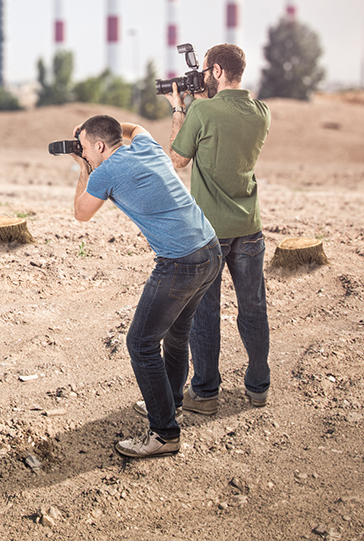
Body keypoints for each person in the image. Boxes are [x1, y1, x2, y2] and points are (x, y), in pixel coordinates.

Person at [68, 114, 221, 458]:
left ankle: (164, 434)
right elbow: (135, 128)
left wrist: (83, 168)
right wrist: (100, 130)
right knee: (177, 334)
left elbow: (81, 213)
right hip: (210, 250)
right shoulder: (146, 146)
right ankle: (171, 402)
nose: (84, 152)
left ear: (100, 146)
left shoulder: (104, 172)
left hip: (180, 262)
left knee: (140, 343)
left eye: (86, 148)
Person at [166, 43, 271, 414]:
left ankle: (206, 394)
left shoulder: (202, 111)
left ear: (218, 71)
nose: (204, 76)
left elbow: (177, 159)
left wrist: (179, 109)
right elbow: (226, 128)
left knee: (205, 313)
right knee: (253, 308)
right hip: (250, 226)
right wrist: (202, 101)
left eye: (207, 69)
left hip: (209, 232)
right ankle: (258, 387)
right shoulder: (261, 111)